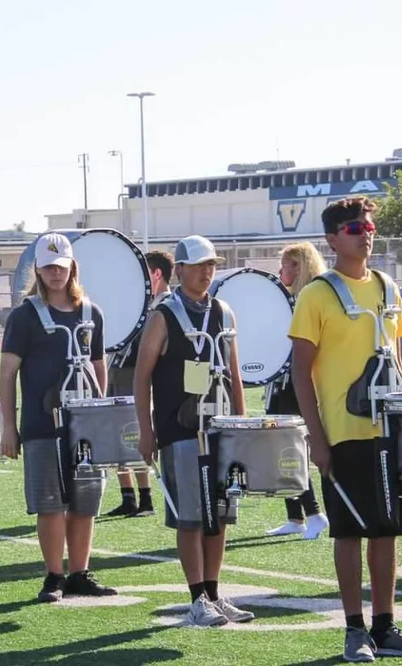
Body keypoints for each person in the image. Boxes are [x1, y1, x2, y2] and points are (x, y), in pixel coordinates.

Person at [289, 196, 402, 661]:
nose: (366, 233)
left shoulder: (389, 287)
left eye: (369, 226)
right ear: (333, 238)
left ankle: (386, 627)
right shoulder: (317, 293)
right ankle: (355, 631)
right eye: (355, 228)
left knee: (387, 530)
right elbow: (300, 371)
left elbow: (396, 359)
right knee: (348, 531)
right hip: (344, 430)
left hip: (390, 430)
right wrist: (316, 436)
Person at [134, 235, 256, 627]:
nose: (207, 272)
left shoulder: (223, 311)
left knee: (219, 514)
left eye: (212, 265)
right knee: (190, 516)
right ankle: (196, 597)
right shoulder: (163, 314)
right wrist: (146, 429)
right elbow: (142, 376)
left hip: (220, 428)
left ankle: (215, 593)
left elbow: (234, 373)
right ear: (180, 270)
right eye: (200, 265)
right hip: (181, 428)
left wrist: (242, 423)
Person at [0, 232, 118, 603]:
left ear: (73, 268)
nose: (55, 274)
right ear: (37, 268)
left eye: (61, 267)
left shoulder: (91, 313)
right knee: (50, 504)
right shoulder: (24, 316)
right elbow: (7, 374)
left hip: (84, 426)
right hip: (42, 424)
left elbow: (100, 369)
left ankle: (80, 572)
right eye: (48, 267)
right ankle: (53, 575)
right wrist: (9, 425)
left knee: (85, 503)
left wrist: (102, 419)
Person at [264, 242, 330, 540]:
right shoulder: (286, 299)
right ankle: (295, 516)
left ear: (300, 267)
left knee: (293, 450)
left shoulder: (310, 297)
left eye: (288, 265)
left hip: (298, 383)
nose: (281, 271)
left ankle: (315, 514)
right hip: (280, 381)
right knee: (280, 449)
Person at [105, 249, 175, 518]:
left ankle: (145, 497)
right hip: (120, 368)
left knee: (131, 432)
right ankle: (128, 497)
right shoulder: (141, 302)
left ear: (156, 274)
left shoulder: (164, 305)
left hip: (135, 372)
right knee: (117, 434)